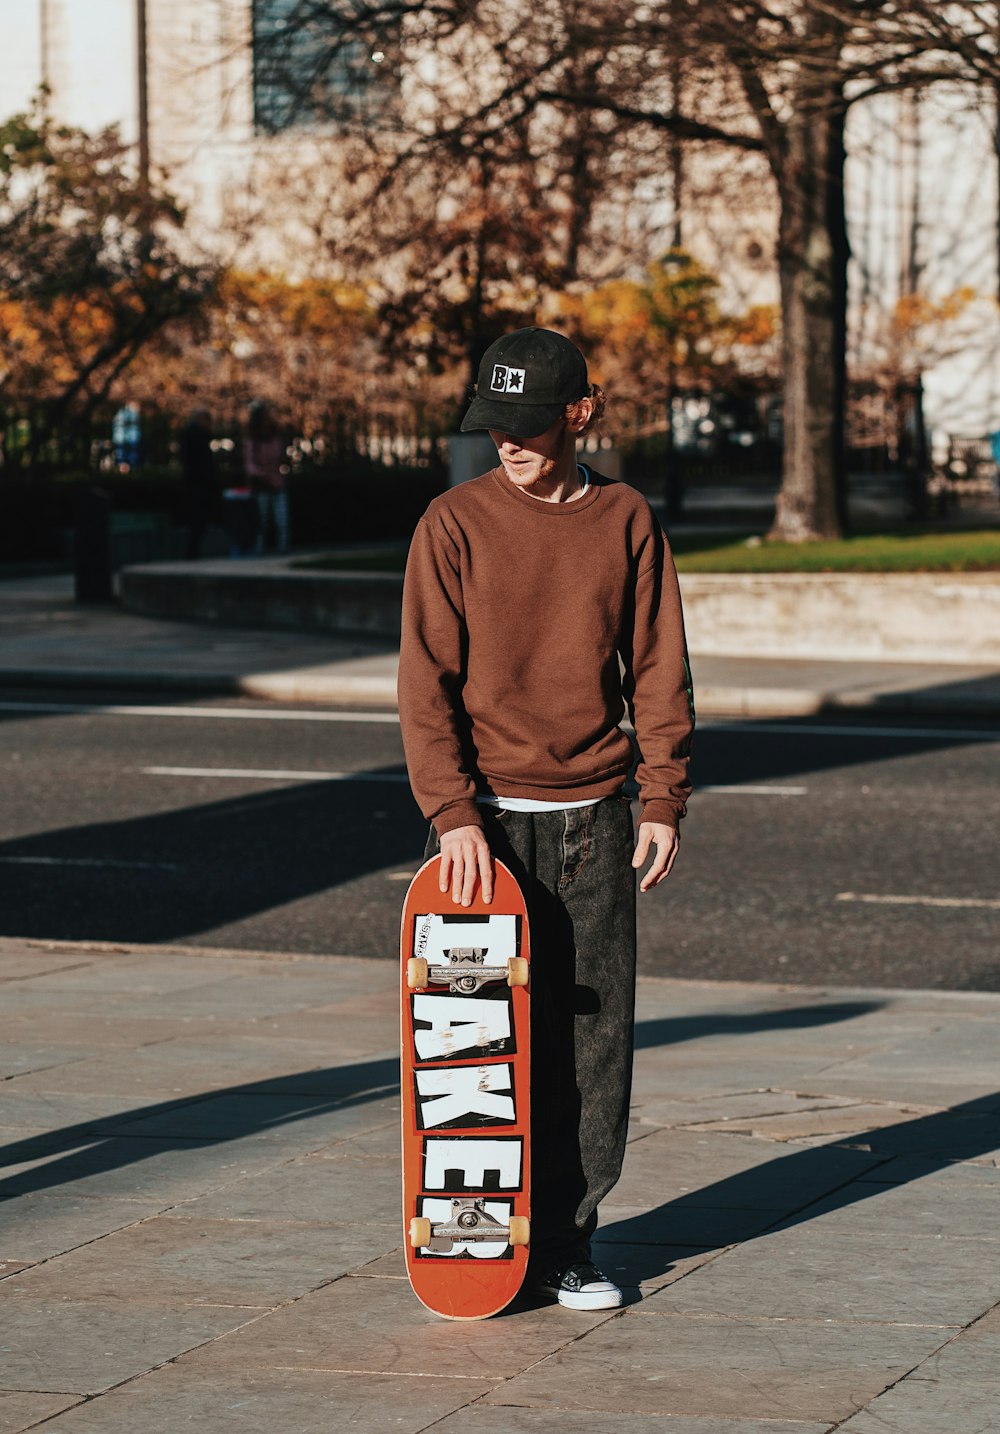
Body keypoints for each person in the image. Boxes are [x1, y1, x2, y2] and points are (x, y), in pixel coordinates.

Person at [398, 327, 695, 1311]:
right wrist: (451, 817)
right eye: (493, 426)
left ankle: (570, 1240)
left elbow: (657, 664)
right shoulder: (453, 525)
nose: (508, 445)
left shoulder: (623, 519)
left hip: (596, 820)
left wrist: (662, 795)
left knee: (590, 1044)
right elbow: (424, 684)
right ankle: (483, 1241)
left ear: (581, 412)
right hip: (485, 829)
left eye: (526, 426)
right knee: (479, 1047)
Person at [244, 400, 290, 553]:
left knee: (281, 518)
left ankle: (282, 545)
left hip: (276, 483)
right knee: (261, 518)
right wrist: (263, 476)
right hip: (262, 485)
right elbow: (250, 464)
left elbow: (281, 458)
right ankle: (260, 546)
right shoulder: (253, 441)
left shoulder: (275, 439)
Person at [178, 408, 216, 559]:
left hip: (195, 483)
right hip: (198, 484)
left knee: (196, 518)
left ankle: (193, 550)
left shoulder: (192, 435)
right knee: (198, 518)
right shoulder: (198, 436)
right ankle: (193, 551)